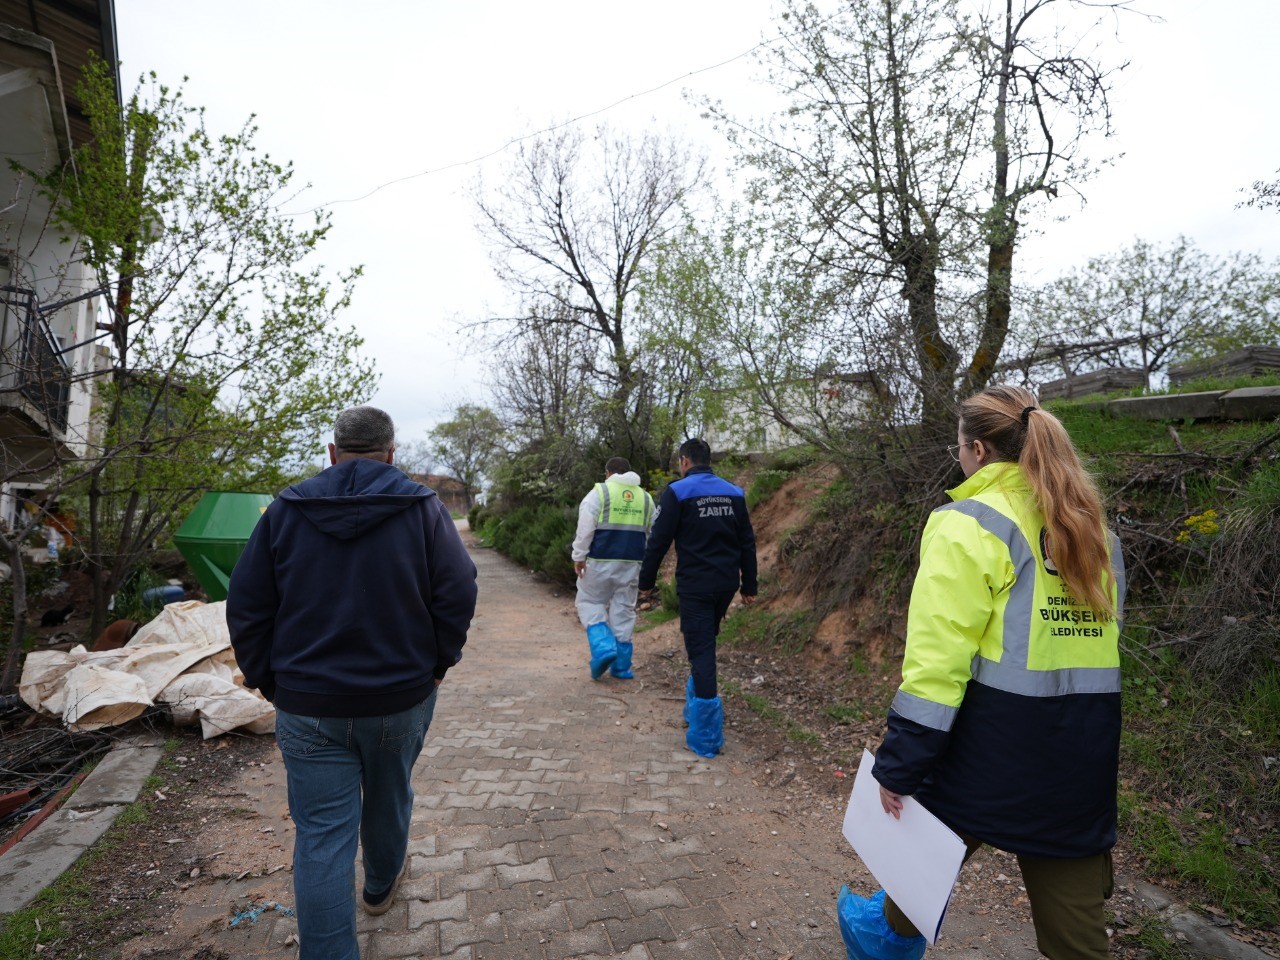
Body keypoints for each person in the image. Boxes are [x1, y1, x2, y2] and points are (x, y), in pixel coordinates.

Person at [836, 385, 1126, 960]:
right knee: (1077, 940)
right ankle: (886, 930)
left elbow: (937, 664)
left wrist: (901, 764)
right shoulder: (1096, 532)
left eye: (958, 449)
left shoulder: (968, 522)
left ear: (978, 449)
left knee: (925, 849)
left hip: (986, 750)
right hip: (1080, 758)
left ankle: (884, 940)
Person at [226, 406, 478, 960]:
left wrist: (272, 682)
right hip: (400, 696)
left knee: (320, 837)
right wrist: (438, 662)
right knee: (390, 796)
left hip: (308, 701)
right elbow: (459, 589)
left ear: (333, 452)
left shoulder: (285, 510)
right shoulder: (424, 509)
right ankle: (380, 885)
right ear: (391, 454)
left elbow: (246, 603)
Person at [638, 438, 758, 758]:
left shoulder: (678, 492)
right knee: (704, 641)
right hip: (726, 585)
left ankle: (706, 735)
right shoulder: (734, 493)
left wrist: (645, 583)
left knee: (702, 651)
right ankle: (695, 707)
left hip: (695, 586)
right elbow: (747, 542)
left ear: (685, 461)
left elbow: (658, 542)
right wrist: (750, 586)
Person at [571, 456, 655, 680]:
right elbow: (652, 534)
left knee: (589, 602)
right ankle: (621, 667)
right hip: (632, 566)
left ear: (608, 473)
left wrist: (579, 557)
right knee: (624, 611)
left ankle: (603, 648)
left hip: (600, 563)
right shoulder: (646, 498)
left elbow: (585, 529)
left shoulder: (599, 494)